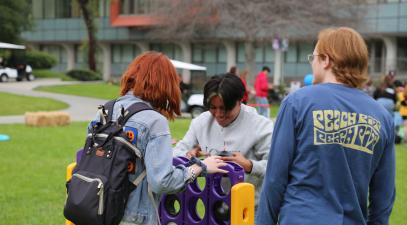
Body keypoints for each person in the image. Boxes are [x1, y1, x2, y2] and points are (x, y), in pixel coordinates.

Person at [257, 27, 395, 225]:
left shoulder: (297, 102)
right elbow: (384, 196)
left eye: (313, 57)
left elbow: (274, 179)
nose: (312, 63)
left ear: (326, 60)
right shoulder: (382, 116)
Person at [90, 51, 228, 225]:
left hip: (98, 210)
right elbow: (162, 182)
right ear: (166, 82)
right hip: (133, 217)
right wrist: (199, 167)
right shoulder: (154, 121)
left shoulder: (105, 110)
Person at [173, 73, 274, 205]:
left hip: (250, 208)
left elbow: (277, 167)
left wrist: (249, 165)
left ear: (240, 101)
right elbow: (175, 154)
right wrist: (191, 157)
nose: (219, 115)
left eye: (225, 109)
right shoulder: (200, 123)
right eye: (213, 108)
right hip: (212, 208)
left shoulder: (261, 126)